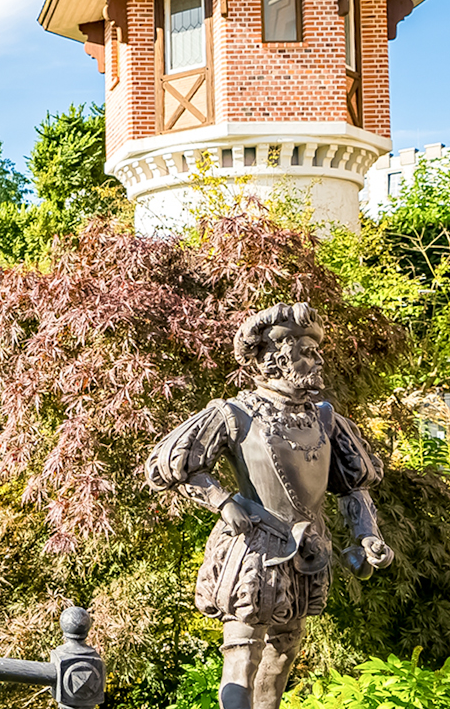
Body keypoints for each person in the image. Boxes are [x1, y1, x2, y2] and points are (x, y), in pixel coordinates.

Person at [146, 302, 393, 709]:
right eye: (304, 352)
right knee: (242, 654)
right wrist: (222, 501)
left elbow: (353, 487)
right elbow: (169, 466)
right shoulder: (234, 414)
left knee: (283, 655)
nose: (316, 360)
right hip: (253, 552)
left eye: (316, 351)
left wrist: (368, 536)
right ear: (274, 360)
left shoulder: (326, 419)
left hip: (307, 554)